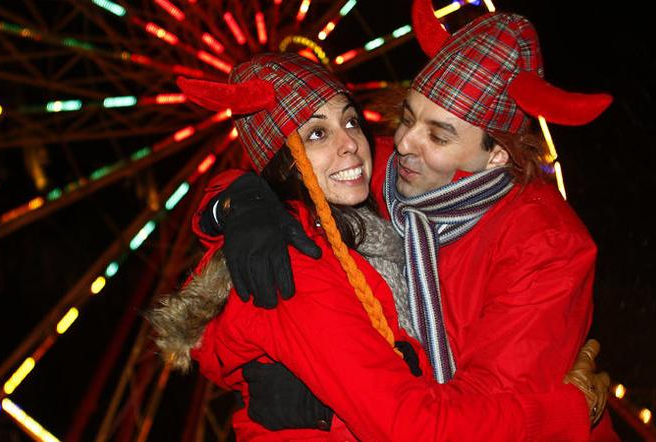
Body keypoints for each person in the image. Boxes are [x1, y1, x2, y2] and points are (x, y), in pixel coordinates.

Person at [184, 1, 621, 439]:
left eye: (438, 134)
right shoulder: (378, 181)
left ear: (498, 152)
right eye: (408, 116)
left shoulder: (546, 246)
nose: (404, 141)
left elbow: (478, 413)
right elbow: (277, 166)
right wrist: (237, 204)